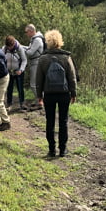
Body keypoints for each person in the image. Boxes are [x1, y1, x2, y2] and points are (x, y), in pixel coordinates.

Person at [36, 29, 77, 157]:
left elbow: (39, 79)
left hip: (49, 94)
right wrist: (73, 93)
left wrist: (39, 95)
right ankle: (63, 150)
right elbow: (72, 77)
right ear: (60, 41)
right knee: (63, 121)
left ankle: (51, 149)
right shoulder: (66, 57)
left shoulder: (43, 59)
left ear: (47, 42)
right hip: (64, 93)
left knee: (50, 121)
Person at [22, 23, 45, 109]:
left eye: (26, 32)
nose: (26, 34)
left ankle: (40, 101)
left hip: (36, 63)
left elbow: (30, 53)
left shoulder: (37, 40)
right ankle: (38, 100)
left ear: (31, 31)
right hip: (35, 63)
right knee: (36, 84)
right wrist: (21, 46)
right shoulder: (34, 39)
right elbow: (29, 49)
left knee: (33, 84)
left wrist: (21, 49)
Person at [3, 35, 28, 112]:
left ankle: (22, 104)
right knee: (9, 88)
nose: (10, 48)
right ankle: (9, 104)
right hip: (9, 72)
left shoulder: (19, 48)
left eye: (11, 46)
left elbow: (24, 60)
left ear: (14, 43)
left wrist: (21, 70)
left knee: (20, 88)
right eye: (8, 46)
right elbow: (2, 59)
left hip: (18, 71)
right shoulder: (4, 48)